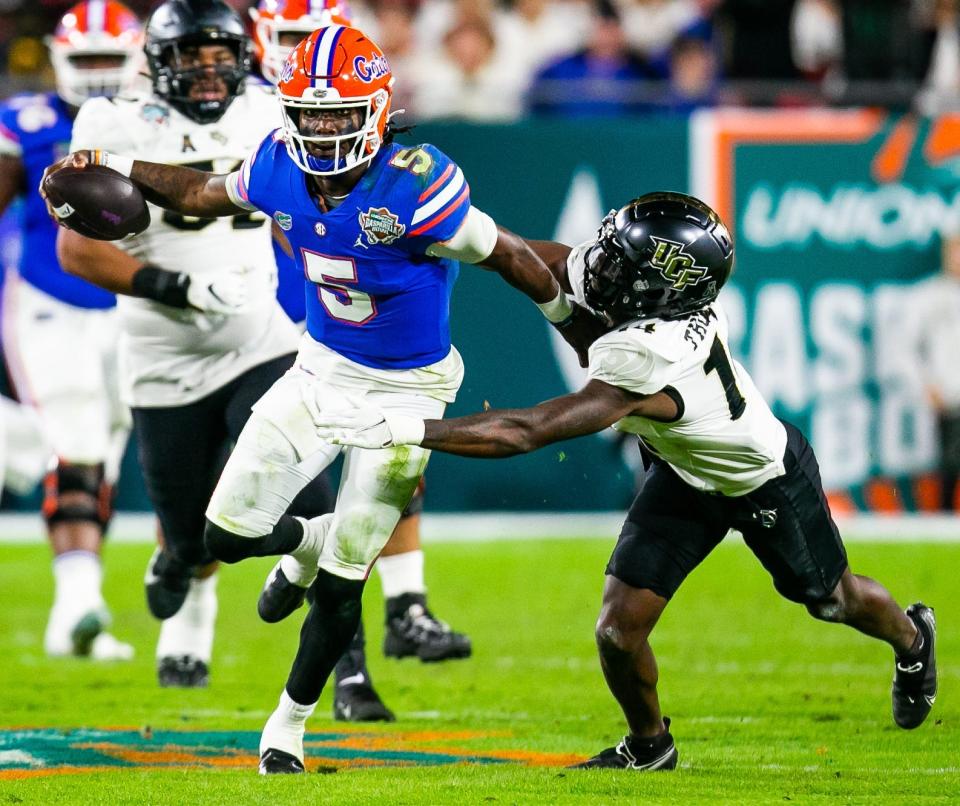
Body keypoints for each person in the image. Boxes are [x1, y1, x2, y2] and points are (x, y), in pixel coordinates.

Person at [42, 23, 602, 773]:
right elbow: (201, 192)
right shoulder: (275, 163)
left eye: (341, 112)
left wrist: (570, 323)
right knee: (223, 539)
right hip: (318, 369)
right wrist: (115, 162)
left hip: (407, 387)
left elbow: (507, 252)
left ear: (376, 109)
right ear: (290, 110)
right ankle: (308, 543)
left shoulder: (417, 182)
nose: (325, 127)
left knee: (344, 584)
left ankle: (287, 728)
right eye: (312, 112)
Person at [313, 192, 939, 769]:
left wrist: (406, 426)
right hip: (683, 471)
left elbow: (529, 431)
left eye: (621, 266)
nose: (600, 269)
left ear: (664, 290)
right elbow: (526, 256)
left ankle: (913, 640)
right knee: (618, 630)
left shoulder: (655, 350)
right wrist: (437, 227)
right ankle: (650, 747)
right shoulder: (649, 292)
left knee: (834, 599)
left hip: (760, 477)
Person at [55, 0, 336, 689]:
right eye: (191, 57)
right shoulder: (113, 121)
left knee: (302, 489)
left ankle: (300, 562)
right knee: (191, 536)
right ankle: (181, 570)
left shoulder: (268, 111)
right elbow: (77, 251)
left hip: (258, 340)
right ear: (158, 62)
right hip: (163, 358)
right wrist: (176, 285)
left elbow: (288, 215)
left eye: (221, 58)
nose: (209, 74)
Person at [250, 0, 474, 724]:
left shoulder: (364, 147)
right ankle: (348, 669)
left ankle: (406, 605)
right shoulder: (264, 131)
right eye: (287, 41)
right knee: (322, 497)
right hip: (290, 323)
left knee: (390, 463)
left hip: (354, 324)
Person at [0, 0, 143, 661]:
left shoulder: (156, 124)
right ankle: (80, 602)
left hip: (130, 308)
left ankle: (71, 613)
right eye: (83, 59)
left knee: (100, 453)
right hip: (49, 303)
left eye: (107, 59)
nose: (94, 73)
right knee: (76, 442)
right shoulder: (27, 124)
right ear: (57, 59)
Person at [914, 232, 960, 512]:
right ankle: (943, 521)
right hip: (949, 397)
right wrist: (925, 385)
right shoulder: (929, 295)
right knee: (949, 467)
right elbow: (906, 348)